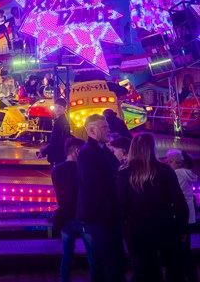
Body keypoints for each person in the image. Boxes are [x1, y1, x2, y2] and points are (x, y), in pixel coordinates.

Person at [116, 134, 188, 282]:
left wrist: (125, 225)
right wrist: (182, 228)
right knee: (174, 268)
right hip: (165, 224)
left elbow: (121, 206)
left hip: (138, 227)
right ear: (152, 148)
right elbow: (179, 202)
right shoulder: (165, 170)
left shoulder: (124, 172)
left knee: (146, 269)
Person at [76, 114, 127, 282]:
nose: (109, 130)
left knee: (109, 261)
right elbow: (92, 188)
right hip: (101, 217)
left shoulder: (103, 150)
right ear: (91, 131)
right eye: (104, 127)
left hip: (109, 215)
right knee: (108, 261)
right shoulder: (88, 153)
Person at [50, 137, 94, 282]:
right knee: (93, 256)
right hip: (83, 217)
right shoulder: (83, 169)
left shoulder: (56, 170)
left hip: (65, 217)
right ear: (77, 151)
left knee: (67, 255)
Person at [166, 149, 199, 282]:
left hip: (181, 214)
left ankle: (186, 277)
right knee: (185, 249)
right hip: (188, 214)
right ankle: (191, 276)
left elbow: (174, 195)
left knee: (181, 250)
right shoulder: (186, 172)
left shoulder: (178, 173)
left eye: (169, 161)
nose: (168, 164)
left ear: (176, 162)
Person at [37, 98, 71, 168]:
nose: (57, 109)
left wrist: (43, 152)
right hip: (60, 155)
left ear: (64, 109)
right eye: (56, 106)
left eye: (60, 107)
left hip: (58, 156)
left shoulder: (60, 122)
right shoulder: (62, 121)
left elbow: (56, 142)